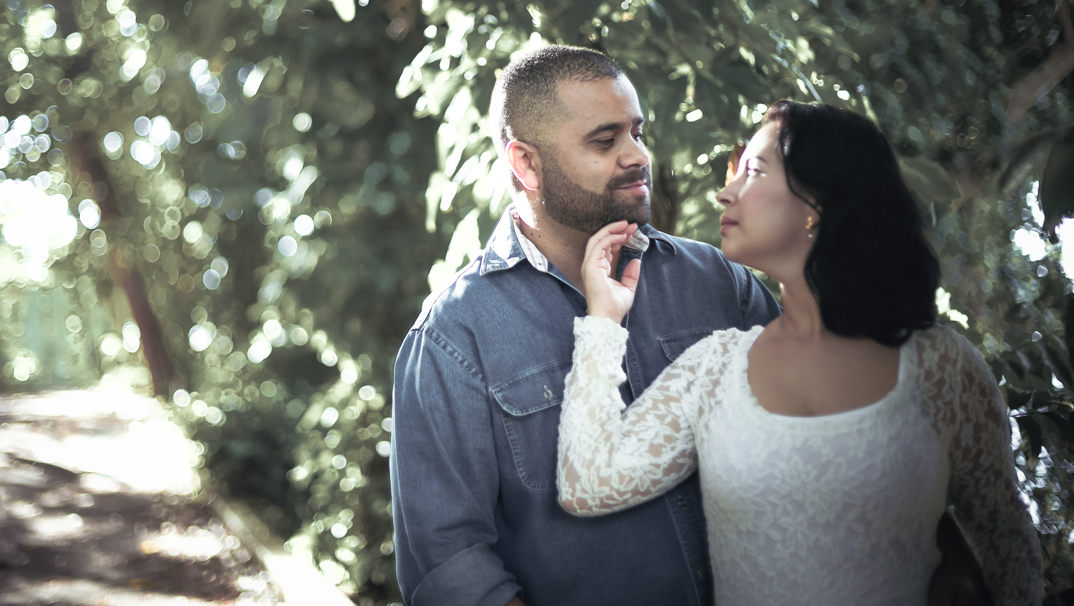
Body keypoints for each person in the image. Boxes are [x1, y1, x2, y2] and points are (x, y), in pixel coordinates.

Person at [557, 100, 1044, 606]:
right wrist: (604, 319)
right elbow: (587, 483)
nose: (725, 193)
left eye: (753, 172)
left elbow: (1007, 542)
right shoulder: (714, 369)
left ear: (816, 202)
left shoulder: (941, 367)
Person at [390, 45, 779, 606]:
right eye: (605, 140)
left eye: (637, 132)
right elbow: (447, 565)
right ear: (525, 163)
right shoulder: (454, 337)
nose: (637, 155)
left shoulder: (718, 280)